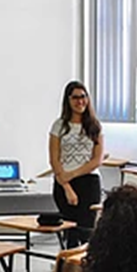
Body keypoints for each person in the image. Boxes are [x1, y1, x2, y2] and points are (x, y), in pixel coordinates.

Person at [49, 81, 104, 247]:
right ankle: (69, 262)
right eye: (75, 98)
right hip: (64, 183)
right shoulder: (59, 126)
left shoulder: (94, 126)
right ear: (68, 100)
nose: (80, 101)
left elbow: (97, 160)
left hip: (89, 182)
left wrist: (73, 174)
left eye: (83, 97)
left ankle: (87, 263)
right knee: (70, 232)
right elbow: (54, 160)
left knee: (87, 232)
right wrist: (67, 187)